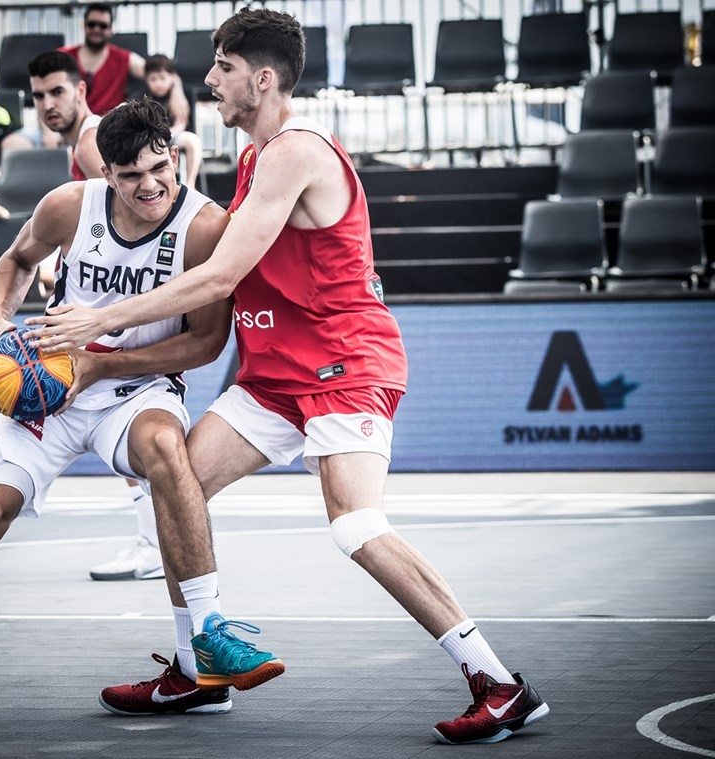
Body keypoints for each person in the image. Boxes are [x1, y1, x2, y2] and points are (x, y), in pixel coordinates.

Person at [28, 8, 550, 745]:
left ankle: (497, 682)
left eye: (223, 68)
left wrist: (98, 320)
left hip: (342, 365)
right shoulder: (252, 158)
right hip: (274, 375)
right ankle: (197, 672)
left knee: (356, 525)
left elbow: (220, 277)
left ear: (261, 77)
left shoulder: (295, 153)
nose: (209, 81)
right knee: (171, 485)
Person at [0, 99, 283, 737]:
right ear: (106, 174)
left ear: (174, 154)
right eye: (129, 174)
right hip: (50, 381)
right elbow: (15, 261)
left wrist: (102, 367)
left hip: (135, 383)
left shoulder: (206, 227)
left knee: (169, 455)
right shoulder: (70, 204)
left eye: (158, 166)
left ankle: (209, 633)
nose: (148, 184)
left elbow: (205, 344)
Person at [0, 49, 165, 581]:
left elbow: (134, 218)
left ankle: (152, 545)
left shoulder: (95, 144)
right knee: (131, 446)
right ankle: (150, 542)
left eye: (58, 93)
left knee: (134, 434)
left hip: (117, 320)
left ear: (82, 92)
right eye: (39, 96)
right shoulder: (79, 146)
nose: (48, 104)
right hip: (100, 312)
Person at [59, 3, 188, 119]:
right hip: (70, 126)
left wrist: (177, 91)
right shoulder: (63, 56)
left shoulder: (124, 58)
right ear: (84, 26)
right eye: (92, 24)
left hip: (109, 129)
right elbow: (42, 89)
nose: (96, 29)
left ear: (111, 30)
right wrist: (48, 131)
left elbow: (158, 71)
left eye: (103, 26)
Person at [144, 54, 203, 188]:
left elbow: (183, 125)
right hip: (151, 138)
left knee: (192, 141)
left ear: (172, 77)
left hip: (174, 135)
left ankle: (190, 186)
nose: (158, 83)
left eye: (162, 78)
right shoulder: (144, 97)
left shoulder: (184, 94)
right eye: (153, 79)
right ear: (146, 79)